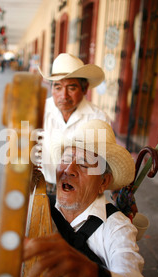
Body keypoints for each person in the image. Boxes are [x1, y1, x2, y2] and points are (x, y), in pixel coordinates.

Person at [0, 120, 152, 277]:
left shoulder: (117, 228)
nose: (69, 169)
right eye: (65, 160)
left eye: (84, 164)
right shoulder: (37, 205)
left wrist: (87, 271)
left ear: (103, 182)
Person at [37, 53, 111, 191]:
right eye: (58, 87)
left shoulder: (99, 119)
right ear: (51, 88)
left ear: (84, 88)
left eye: (71, 88)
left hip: (80, 191)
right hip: (42, 186)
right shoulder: (38, 111)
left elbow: (103, 164)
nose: (63, 96)